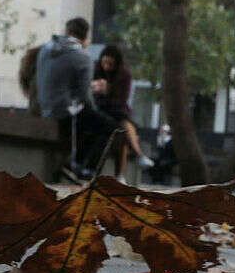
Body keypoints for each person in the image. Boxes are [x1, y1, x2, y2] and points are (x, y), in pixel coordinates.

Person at [37, 16, 117, 180]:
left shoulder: (45, 50)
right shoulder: (82, 56)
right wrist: (94, 104)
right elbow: (84, 95)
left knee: (90, 123)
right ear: (86, 37)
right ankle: (84, 168)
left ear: (67, 31)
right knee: (109, 126)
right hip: (65, 111)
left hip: (44, 105)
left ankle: (73, 164)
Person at [91, 45, 152, 173]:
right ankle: (138, 155)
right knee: (123, 128)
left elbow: (122, 100)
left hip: (117, 111)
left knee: (122, 129)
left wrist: (107, 90)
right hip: (100, 110)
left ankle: (122, 173)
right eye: (104, 62)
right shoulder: (95, 70)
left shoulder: (124, 74)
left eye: (110, 64)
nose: (106, 67)